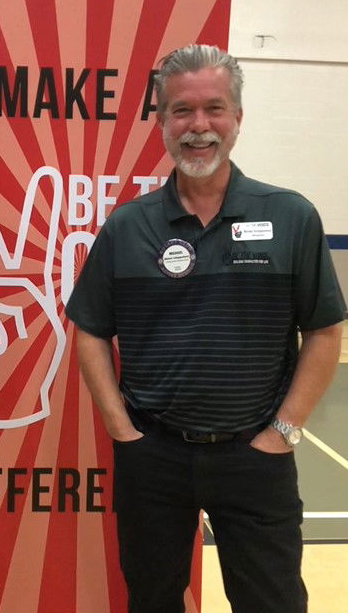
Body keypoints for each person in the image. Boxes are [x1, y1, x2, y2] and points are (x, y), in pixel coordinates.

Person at [65, 44, 345, 613]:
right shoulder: (128, 227)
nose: (199, 126)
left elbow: (324, 330)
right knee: (152, 599)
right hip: (153, 457)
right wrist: (121, 430)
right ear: (161, 122)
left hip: (256, 456)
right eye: (181, 111)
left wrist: (283, 433)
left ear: (237, 116)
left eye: (214, 108)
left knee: (273, 602)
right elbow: (88, 328)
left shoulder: (291, 217)